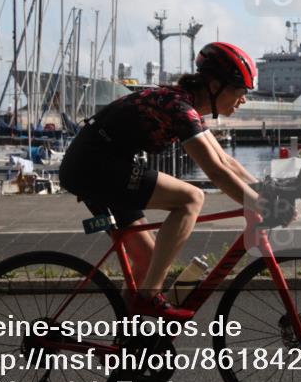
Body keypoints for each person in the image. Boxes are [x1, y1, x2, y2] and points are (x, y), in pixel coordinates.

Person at [59, 42, 267, 321]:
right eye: (240, 90)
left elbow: (227, 162)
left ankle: (130, 347)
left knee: (147, 260)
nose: (243, 99)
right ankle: (149, 297)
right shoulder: (179, 108)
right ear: (216, 85)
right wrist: (259, 205)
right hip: (96, 166)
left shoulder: (184, 105)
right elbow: (216, 172)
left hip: (99, 164)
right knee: (191, 199)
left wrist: (264, 193)